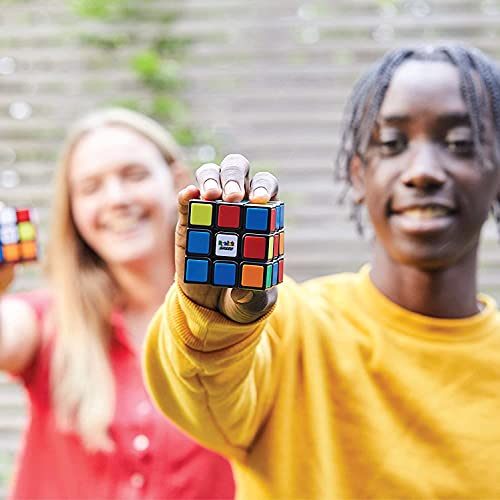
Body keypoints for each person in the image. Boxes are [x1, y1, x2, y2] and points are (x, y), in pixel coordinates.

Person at [143, 44, 500, 498]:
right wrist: (213, 321)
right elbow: (201, 393)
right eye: (391, 144)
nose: (423, 172)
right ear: (357, 176)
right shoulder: (290, 325)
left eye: (458, 144)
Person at [0, 108, 235, 499]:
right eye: (91, 187)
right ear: (74, 209)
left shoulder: (238, 325)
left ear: (177, 180)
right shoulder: (46, 321)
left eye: (134, 175)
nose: (117, 199)